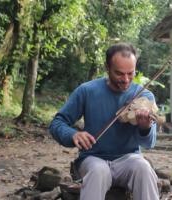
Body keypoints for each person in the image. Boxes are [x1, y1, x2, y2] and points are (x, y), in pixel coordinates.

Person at [49, 43, 159, 200]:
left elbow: (150, 143)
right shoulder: (87, 91)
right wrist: (73, 135)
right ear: (107, 67)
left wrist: (145, 127)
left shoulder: (144, 96)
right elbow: (57, 123)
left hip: (128, 158)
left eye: (131, 73)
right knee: (98, 171)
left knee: (143, 167)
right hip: (94, 158)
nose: (126, 80)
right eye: (119, 74)